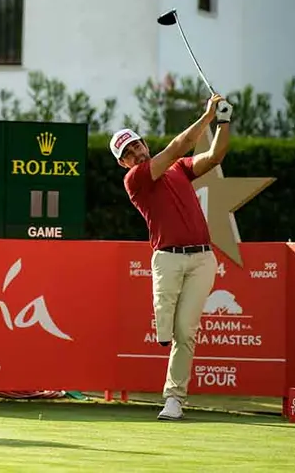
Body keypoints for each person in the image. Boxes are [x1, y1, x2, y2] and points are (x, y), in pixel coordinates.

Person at [109, 93, 233, 420]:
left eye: (136, 145)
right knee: (166, 321)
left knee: (185, 331)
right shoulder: (135, 179)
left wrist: (223, 121)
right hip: (167, 257)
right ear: (123, 162)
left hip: (202, 259)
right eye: (127, 152)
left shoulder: (179, 170)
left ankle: (174, 399)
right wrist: (207, 115)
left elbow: (215, 156)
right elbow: (179, 145)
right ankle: (162, 330)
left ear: (144, 144)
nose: (135, 152)